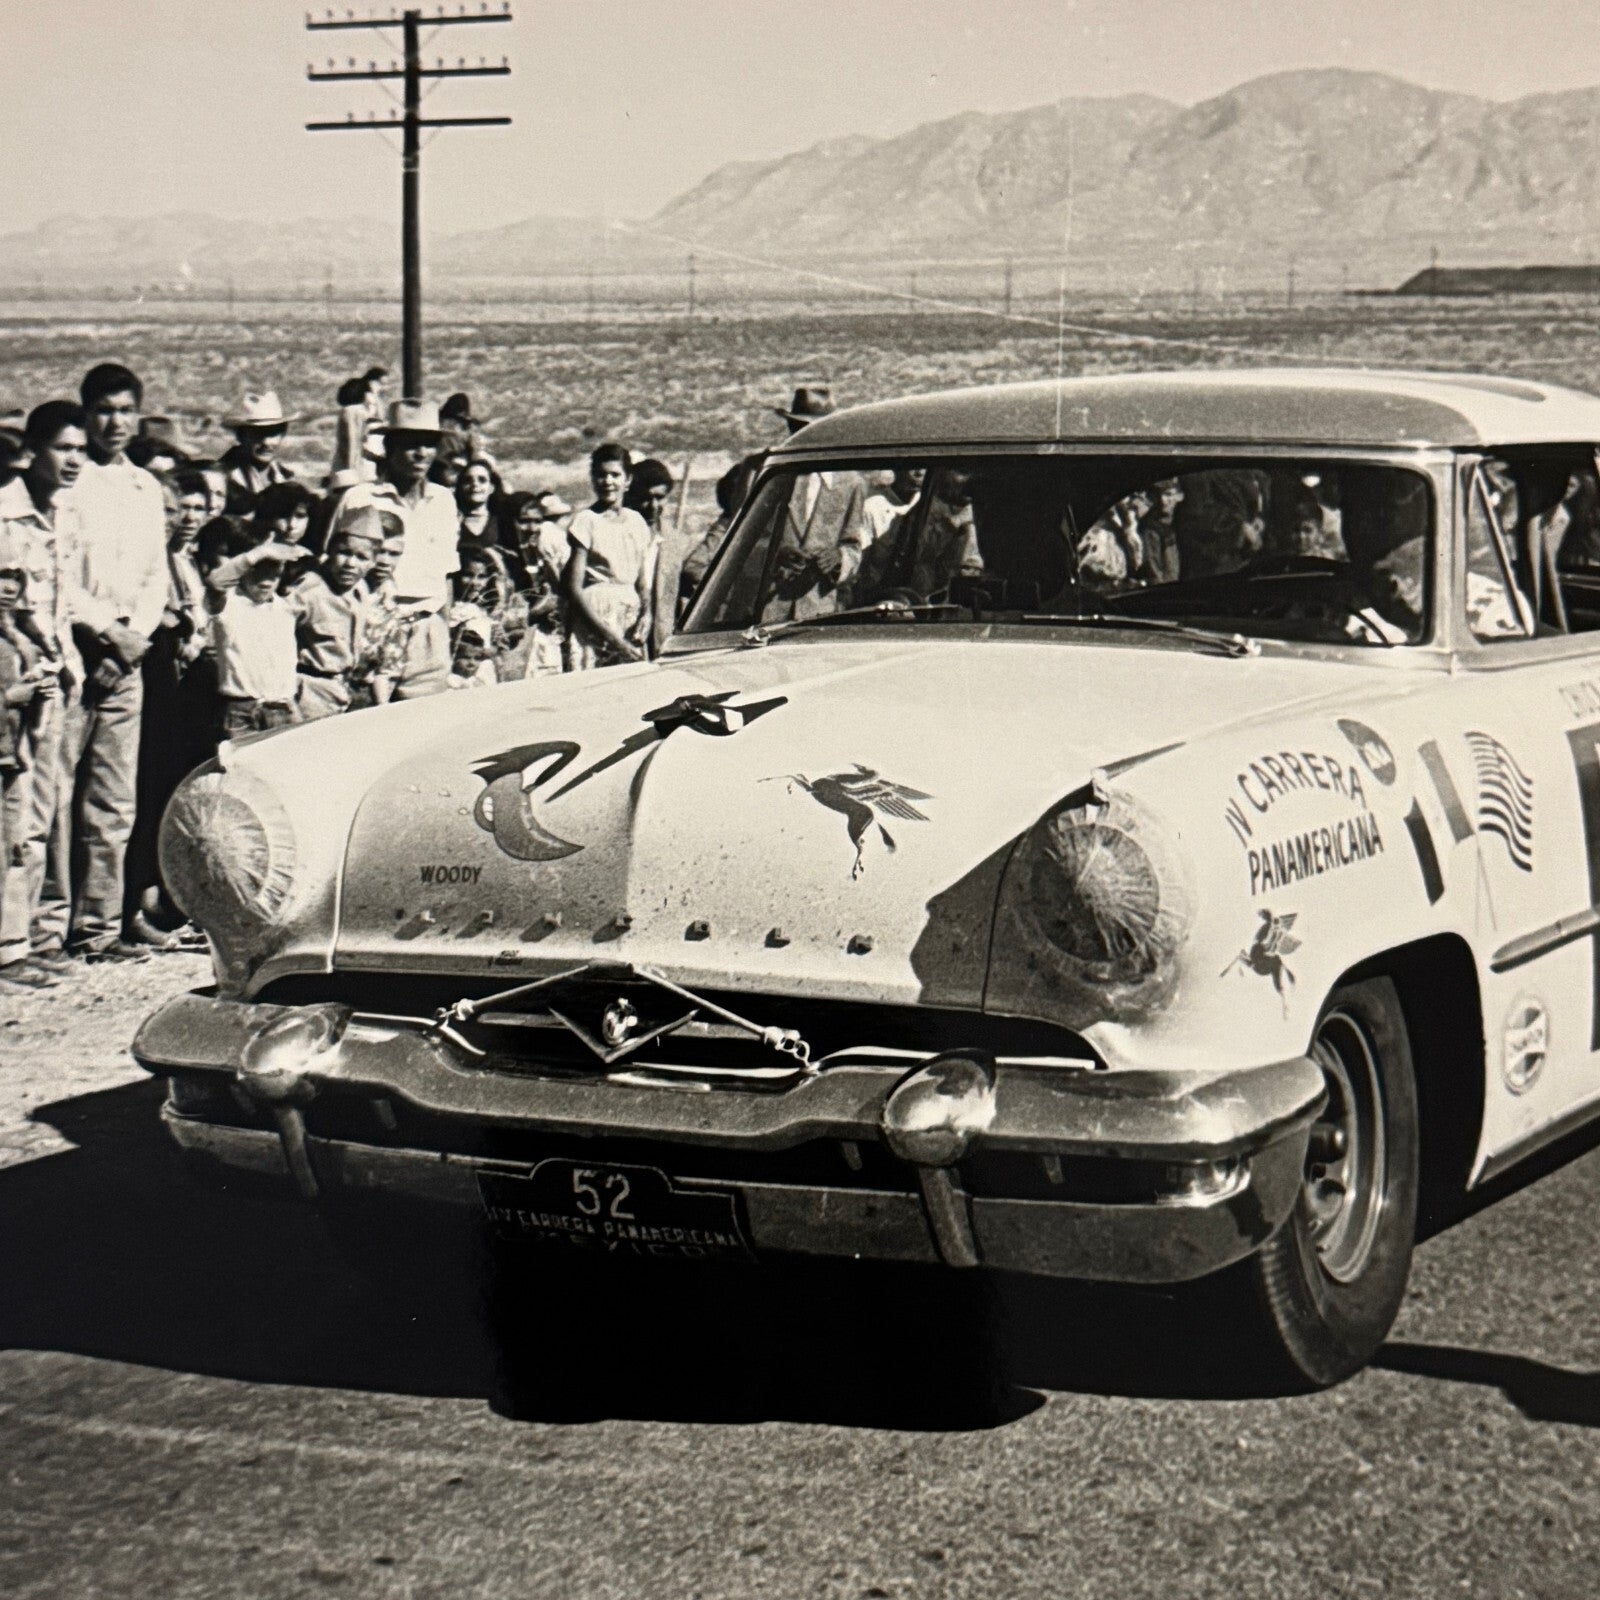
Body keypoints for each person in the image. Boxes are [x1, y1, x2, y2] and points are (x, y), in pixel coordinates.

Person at [67, 364, 170, 961]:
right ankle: (36, 932)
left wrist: (132, 636)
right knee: (51, 802)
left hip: (126, 661)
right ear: (87, 413)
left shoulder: (144, 488)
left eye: (127, 410)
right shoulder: (71, 481)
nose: (116, 423)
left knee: (112, 801)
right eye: (105, 410)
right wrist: (104, 634)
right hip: (76, 653)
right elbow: (61, 577)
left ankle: (98, 927)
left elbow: (154, 576)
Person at [0, 402, 86, 979]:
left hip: (54, 677)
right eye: (63, 448)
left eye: (80, 450)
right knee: (17, 815)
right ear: (33, 450)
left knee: (45, 812)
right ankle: (8, 948)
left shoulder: (62, 516)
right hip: (17, 682)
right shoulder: (8, 516)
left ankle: (32, 935)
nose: (74, 460)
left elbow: (62, 605)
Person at [332, 400, 457, 698]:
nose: (421, 454)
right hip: (372, 630)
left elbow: (448, 573)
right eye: (410, 444)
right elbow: (337, 569)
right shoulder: (360, 498)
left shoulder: (444, 500)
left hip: (428, 630)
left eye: (428, 445)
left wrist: (444, 633)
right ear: (390, 447)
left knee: (428, 731)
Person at [564, 443, 653, 668]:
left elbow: (643, 581)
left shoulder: (637, 522)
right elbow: (574, 588)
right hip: (596, 617)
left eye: (615, 475)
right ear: (593, 479)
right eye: (601, 475)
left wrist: (646, 614)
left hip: (629, 615)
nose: (608, 482)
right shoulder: (586, 521)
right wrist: (612, 639)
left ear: (628, 480)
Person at [206, 539, 304, 737]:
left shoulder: (285, 608)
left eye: (273, 572)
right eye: (258, 571)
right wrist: (259, 552)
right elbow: (215, 581)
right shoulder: (229, 604)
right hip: (241, 711)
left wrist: (292, 706)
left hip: (281, 709)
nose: (266, 580)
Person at [289, 511, 379, 720]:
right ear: (329, 550)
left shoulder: (361, 589)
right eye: (344, 553)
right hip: (309, 693)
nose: (350, 564)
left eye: (362, 557)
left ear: (373, 561)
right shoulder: (308, 591)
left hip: (343, 690)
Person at [759, 458, 867, 624]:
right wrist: (776, 553)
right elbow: (751, 541)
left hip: (820, 607)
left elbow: (853, 547)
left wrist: (838, 558)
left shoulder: (852, 483)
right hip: (771, 605)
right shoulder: (780, 476)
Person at [220, 391, 297, 513]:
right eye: (258, 434)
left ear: (283, 435)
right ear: (241, 436)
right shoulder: (223, 478)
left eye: (273, 433)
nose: (266, 442)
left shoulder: (285, 478)